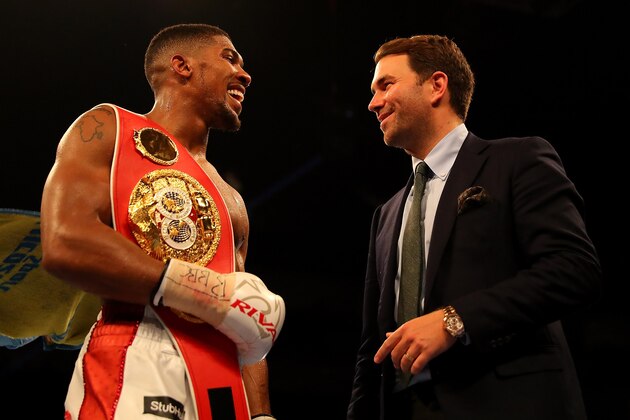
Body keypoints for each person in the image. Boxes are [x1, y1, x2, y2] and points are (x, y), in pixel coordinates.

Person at [347, 34, 601, 420]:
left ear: (436, 86)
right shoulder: (386, 214)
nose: (373, 102)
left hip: (510, 404)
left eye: (386, 85)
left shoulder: (518, 160)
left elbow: (573, 269)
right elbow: (371, 350)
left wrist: (455, 319)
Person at [40, 23, 285, 420]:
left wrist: (261, 415)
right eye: (229, 58)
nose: (245, 73)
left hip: (223, 385)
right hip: (136, 349)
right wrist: (205, 291)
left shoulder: (231, 200)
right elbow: (65, 241)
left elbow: (243, 322)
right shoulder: (109, 129)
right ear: (181, 66)